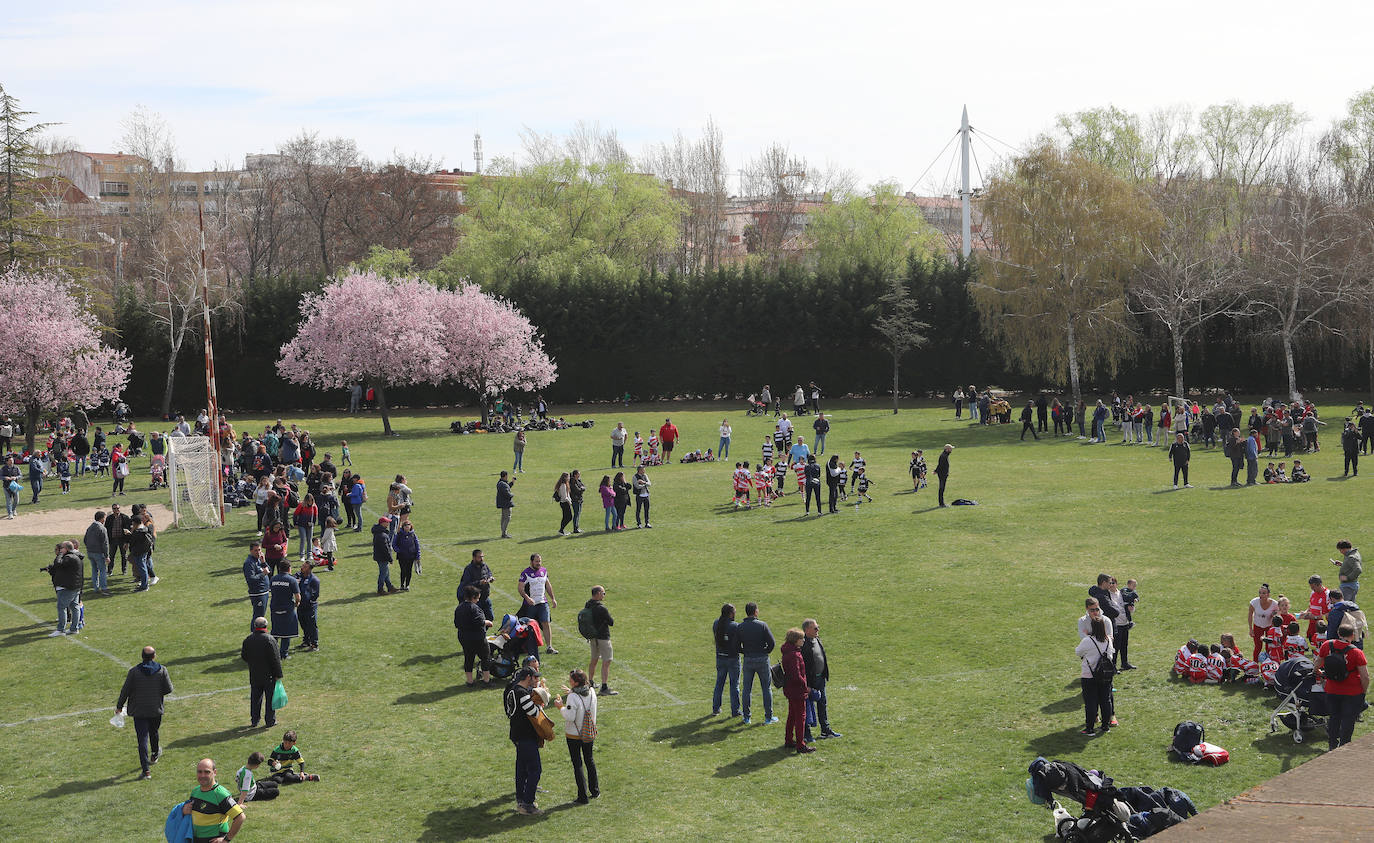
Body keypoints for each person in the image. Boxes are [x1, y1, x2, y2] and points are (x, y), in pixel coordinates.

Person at [116, 645, 173, 780]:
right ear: (154, 656)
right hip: (155, 709)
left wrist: (119, 706)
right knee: (154, 732)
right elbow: (168, 689)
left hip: (139, 711)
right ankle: (154, 754)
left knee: (142, 739)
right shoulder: (162, 670)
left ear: (142, 656)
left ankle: (146, 771)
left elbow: (125, 691)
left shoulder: (134, 672)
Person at [505, 666, 551, 815]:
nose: (536, 680)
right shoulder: (522, 693)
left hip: (517, 735)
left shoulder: (512, 689)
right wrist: (541, 699)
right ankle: (528, 804)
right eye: (534, 677)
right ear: (527, 677)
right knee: (535, 770)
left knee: (522, 770)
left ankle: (521, 800)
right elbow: (534, 712)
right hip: (525, 737)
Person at [1318, 622, 1370, 750]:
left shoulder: (1327, 645)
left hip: (1332, 689)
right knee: (1348, 720)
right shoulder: (1356, 652)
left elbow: (1317, 664)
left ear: (1338, 634)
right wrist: (1363, 691)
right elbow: (1365, 676)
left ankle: (1332, 745)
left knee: (1334, 717)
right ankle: (1344, 746)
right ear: (1352, 635)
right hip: (1352, 692)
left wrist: (1321, 675)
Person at [557, 667, 600, 803]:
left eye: (571, 680)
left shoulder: (572, 697)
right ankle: (595, 790)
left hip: (574, 735)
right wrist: (571, 693)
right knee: (590, 761)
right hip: (589, 733)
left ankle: (582, 796)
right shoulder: (592, 691)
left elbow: (570, 717)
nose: (569, 681)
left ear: (576, 683)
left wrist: (560, 707)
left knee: (578, 764)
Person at [183, 758, 245, 843]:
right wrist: (184, 811)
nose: (202, 775)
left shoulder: (221, 794)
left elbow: (240, 817)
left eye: (207, 772)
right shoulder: (195, 791)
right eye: (199, 772)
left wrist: (226, 839)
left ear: (214, 772)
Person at [801, 618, 840, 743]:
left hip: (820, 678)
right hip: (810, 681)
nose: (818, 630)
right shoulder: (803, 644)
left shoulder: (817, 639)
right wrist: (805, 684)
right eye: (815, 628)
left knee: (822, 704)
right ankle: (807, 734)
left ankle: (825, 730)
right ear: (807, 630)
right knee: (807, 707)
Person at [738, 602, 777, 725]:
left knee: (746, 689)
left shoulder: (741, 627)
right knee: (766, 688)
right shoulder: (762, 625)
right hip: (762, 659)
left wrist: (745, 652)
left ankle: (746, 717)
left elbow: (736, 645)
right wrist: (765, 652)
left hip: (748, 659)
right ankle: (768, 717)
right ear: (755, 611)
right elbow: (772, 643)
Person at [240, 617, 283, 729]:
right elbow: (275, 659)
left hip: (254, 674)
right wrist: (279, 674)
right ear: (266, 626)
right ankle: (270, 720)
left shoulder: (248, 639)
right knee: (270, 699)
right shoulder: (270, 639)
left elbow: (244, 656)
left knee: (255, 698)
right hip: (269, 676)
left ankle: (255, 720)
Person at [1076, 617, 1115, 735]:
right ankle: (1105, 726)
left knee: (1091, 703)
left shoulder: (1088, 641)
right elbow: (1111, 656)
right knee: (1106, 701)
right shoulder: (1108, 639)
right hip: (1105, 675)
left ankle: (1090, 728)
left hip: (1089, 675)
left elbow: (1078, 652)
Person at [779, 628, 813, 753]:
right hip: (797, 690)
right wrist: (805, 686)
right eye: (801, 639)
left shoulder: (788, 651)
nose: (803, 641)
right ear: (795, 640)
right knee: (800, 718)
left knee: (792, 716)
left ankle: (789, 740)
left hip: (790, 689)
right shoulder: (794, 654)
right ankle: (800, 744)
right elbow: (796, 675)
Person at [518, 553, 558, 654]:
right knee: (530, 625)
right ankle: (527, 646)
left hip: (542, 602)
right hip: (530, 604)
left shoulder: (544, 571)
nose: (538, 563)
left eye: (539, 561)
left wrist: (553, 598)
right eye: (536, 561)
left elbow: (548, 585)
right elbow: (520, 588)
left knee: (546, 623)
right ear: (531, 562)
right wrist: (527, 598)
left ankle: (549, 647)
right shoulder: (525, 573)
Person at [455, 585, 494, 685]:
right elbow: (479, 622)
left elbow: (456, 623)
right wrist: (487, 622)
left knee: (468, 658)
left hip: (463, 637)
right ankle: (486, 680)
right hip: (477, 637)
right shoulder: (475, 608)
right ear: (473, 597)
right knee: (485, 657)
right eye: (477, 598)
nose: (477, 600)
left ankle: (470, 681)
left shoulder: (459, 608)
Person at [43, 541, 83, 635]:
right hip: (74, 586)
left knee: (61, 607)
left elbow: (58, 563)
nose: (60, 550)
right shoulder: (75, 556)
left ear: (66, 549)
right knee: (74, 607)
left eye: (62, 548)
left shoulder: (69, 557)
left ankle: (61, 629)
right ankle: (74, 629)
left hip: (68, 587)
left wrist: (60, 554)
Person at [585, 585, 616, 695]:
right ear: (598, 594)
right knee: (607, 661)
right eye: (603, 593)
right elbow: (611, 622)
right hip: (603, 637)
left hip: (593, 637)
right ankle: (604, 687)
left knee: (594, 660)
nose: (604, 595)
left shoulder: (587, 605)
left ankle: (590, 682)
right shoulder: (601, 608)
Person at [712, 603, 741, 717]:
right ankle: (735, 711)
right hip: (732, 659)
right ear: (730, 613)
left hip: (720, 657)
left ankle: (716, 708)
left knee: (719, 683)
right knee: (734, 685)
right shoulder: (735, 626)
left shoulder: (716, 623)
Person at [268, 561, 300, 659]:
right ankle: (283, 654)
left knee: (275, 631)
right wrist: (296, 603)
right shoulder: (292, 580)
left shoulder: (273, 579)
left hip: (275, 607)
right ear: (289, 568)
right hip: (287, 609)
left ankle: (272, 652)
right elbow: (298, 597)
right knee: (287, 632)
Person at [459, 548, 495, 621]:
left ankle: (483, 631)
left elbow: (489, 573)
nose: (481, 559)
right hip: (475, 600)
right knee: (477, 620)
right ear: (474, 558)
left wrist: (490, 578)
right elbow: (466, 585)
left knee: (490, 618)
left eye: (482, 557)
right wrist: (479, 583)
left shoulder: (484, 565)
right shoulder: (469, 569)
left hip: (485, 597)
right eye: (479, 557)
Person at [1248, 584, 1279, 661]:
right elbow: (1250, 614)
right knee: (1258, 647)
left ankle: (1270, 664)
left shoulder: (1274, 604)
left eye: (1264, 593)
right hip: (1257, 626)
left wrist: (1274, 614)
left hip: (1269, 627)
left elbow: (1279, 613)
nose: (1261, 595)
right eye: (1260, 593)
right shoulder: (1254, 602)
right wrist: (1250, 629)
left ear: (1268, 594)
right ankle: (1254, 665)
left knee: (1269, 646)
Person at [243, 542, 271, 624]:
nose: (258, 552)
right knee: (258, 617)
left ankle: (258, 634)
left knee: (261, 615)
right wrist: (263, 574)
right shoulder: (249, 563)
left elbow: (269, 570)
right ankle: (254, 634)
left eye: (259, 550)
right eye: (256, 550)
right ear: (251, 551)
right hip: (258, 593)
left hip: (264, 591)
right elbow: (251, 579)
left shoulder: (259, 559)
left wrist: (263, 562)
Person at [296, 560, 320, 652]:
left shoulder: (314, 580)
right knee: (303, 624)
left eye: (305, 567)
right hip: (300, 606)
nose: (302, 567)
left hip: (310, 607)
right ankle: (306, 641)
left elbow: (315, 594)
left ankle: (315, 644)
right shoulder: (299, 576)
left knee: (312, 625)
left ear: (310, 569)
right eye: (302, 565)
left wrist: (309, 601)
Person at [84, 509, 110, 595]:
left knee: (94, 570)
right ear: (102, 518)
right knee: (102, 570)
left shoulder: (90, 527)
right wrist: (107, 556)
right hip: (98, 553)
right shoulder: (102, 528)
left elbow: (85, 540)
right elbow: (105, 543)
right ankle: (104, 588)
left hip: (90, 552)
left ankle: (96, 588)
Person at [393, 520, 421, 591]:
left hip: (411, 556)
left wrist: (418, 555)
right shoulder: (399, 534)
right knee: (403, 570)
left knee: (409, 571)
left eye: (408, 525)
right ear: (403, 527)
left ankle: (407, 585)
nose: (407, 527)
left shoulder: (413, 534)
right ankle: (402, 585)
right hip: (402, 556)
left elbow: (417, 545)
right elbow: (394, 544)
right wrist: (398, 550)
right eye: (405, 525)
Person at [373, 516, 398, 594]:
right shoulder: (382, 535)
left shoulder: (378, 532)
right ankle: (380, 589)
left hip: (379, 556)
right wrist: (390, 558)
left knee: (386, 573)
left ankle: (390, 587)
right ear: (383, 523)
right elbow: (385, 549)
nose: (388, 523)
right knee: (383, 573)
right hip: (382, 557)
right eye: (387, 522)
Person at [105, 503, 131, 575]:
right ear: (112, 509)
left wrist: (127, 542)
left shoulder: (125, 517)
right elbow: (106, 529)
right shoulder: (109, 518)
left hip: (122, 540)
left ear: (119, 509)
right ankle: (110, 571)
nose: (116, 510)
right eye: (114, 508)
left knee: (124, 556)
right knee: (111, 556)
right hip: (113, 540)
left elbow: (128, 530)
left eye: (117, 508)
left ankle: (124, 570)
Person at [496, 471, 515, 539]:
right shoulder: (503, 484)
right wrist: (512, 495)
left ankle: (503, 532)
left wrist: (512, 482)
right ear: (505, 476)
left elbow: (507, 488)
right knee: (507, 518)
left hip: (503, 504)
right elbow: (507, 494)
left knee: (503, 518)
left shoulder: (501, 483)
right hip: (506, 504)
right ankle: (504, 533)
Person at [568, 469, 585, 534]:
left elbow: (583, 486)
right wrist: (581, 489)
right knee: (576, 514)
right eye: (578, 474)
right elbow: (577, 490)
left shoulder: (578, 480)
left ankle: (577, 527)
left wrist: (582, 488)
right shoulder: (572, 481)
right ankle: (575, 528)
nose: (579, 475)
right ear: (575, 475)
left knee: (578, 514)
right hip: (575, 500)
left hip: (579, 499)